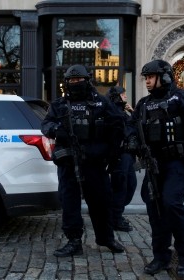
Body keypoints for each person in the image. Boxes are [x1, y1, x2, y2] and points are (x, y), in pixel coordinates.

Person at [132, 59, 184, 277]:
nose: (147, 81)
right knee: (155, 208)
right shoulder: (144, 104)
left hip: (177, 163)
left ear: (164, 76)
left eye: (150, 77)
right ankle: (160, 257)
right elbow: (131, 127)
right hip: (153, 164)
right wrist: (131, 142)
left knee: (171, 204)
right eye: (146, 77)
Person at [41, 64, 125, 257]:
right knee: (69, 203)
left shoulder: (101, 103)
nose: (75, 83)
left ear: (87, 81)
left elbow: (118, 125)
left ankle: (106, 238)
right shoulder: (59, 104)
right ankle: (74, 240)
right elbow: (46, 124)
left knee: (101, 202)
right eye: (71, 80)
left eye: (79, 80)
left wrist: (112, 154)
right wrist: (57, 130)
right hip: (69, 162)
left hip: (95, 163)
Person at [106, 86, 138, 232]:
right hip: (119, 155)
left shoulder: (123, 112)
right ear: (116, 96)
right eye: (122, 94)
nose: (125, 96)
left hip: (128, 155)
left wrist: (133, 113)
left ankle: (115, 214)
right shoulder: (113, 111)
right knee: (121, 186)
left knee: (130, 185)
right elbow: (124, 131)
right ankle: (115, 218)